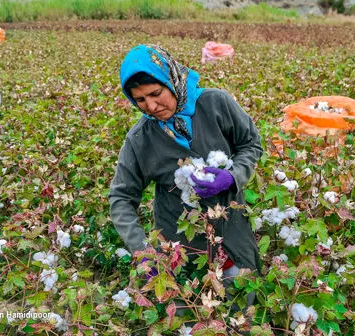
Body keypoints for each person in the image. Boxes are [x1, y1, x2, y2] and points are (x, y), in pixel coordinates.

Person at [109, 44, 263, 303]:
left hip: (232, 233)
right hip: (181, 247)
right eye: (140, 100)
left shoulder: (216, 104)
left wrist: (233, 176)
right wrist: (145, 254)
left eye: (156, 93)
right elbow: (121, 198)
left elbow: (251, 144)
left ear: (171, 80)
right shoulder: (140, 139)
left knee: (244, 310)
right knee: (193, 316)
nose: (151, 106)